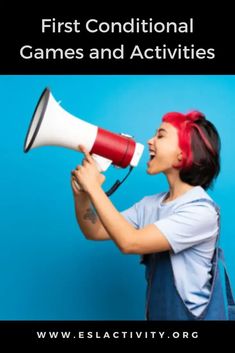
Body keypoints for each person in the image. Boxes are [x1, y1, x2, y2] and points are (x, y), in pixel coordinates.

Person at [71, 110, 235, 320]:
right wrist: (82, 195)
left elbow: (129, 242)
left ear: (183, 154)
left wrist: (94, 188)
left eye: (161, 135)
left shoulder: (201, 211)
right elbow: (94, 230)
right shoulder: (150, 205)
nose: (150, 141)